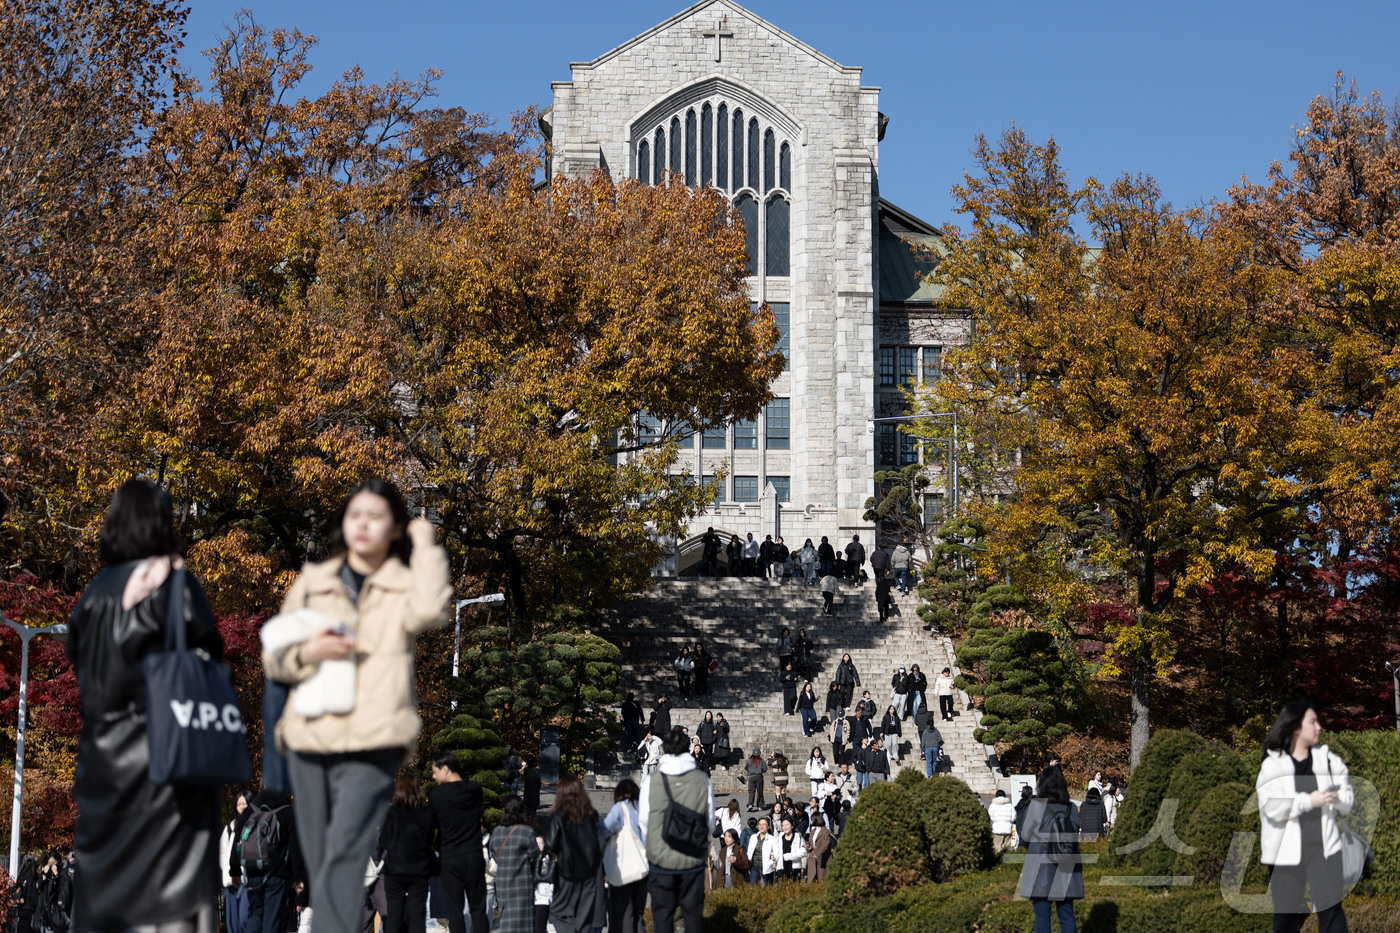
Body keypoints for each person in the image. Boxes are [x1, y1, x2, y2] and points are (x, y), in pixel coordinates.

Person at [263, 478, 452, 933]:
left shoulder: (403, 584)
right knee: (321, 851)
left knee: (346, 848)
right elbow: (274, 654)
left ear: (394, 528)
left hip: (375, 736)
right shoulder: (313, 582)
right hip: (312, 734)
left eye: (376, 516)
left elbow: (433, 609)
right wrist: (308, 653)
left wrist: (426, 544)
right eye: (355, 515)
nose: (363, 524)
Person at [66, 479, 225, 933]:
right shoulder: (172, 582)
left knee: (104, 889)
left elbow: (82, 665)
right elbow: (209, 653)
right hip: (164, 756)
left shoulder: (92, 594)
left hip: (100, 760)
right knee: (170, 891)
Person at [1257, 700, 1354, 933]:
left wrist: (1337, 799)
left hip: (1325, 850)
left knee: (1332, 915)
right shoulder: (1273, 765)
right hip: (1285, 855)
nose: (1319, 727)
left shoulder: (1329, 761)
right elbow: (1271, 807)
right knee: (1286, 920)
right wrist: (1310, 800)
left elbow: (1347, 801)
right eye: (1313, 721)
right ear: (1296, 728)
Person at [639, 727, 714, 933]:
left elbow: (644, 821)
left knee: (662, 913)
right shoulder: (701, 781)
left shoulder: (651, 782)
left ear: (665, 750)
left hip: (661, 859)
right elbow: (710, 823)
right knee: (693, 915)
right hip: (692, 859)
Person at [428, 752, 489, 933]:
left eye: (434, 771)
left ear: (445, 769)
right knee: (478, 910)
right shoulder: (475, 789)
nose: (433, 776)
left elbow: (434, 826)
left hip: (450, 858)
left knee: (454, 912)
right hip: (473, 855)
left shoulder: (437, 796)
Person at [1017, 766, 1083, 933]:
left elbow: (1024, 836)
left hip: (1040, 866)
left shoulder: (1037, 806)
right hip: (1067, 865)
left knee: (1042, 916)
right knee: (1067, 915)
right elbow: (1074, 833)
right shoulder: (1071, 808)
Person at [376, 773, 437, 933]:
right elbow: (429, 840)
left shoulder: (391, 813)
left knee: (394, 916)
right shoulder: (425, 813)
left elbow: (383, 842)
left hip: (394, 871)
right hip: (419, 871)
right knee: (418, 917)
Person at [543, 777, 605, 933]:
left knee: (559, 912)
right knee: (584, 916)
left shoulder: (559, 815)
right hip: (590, 872)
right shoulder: (591, 814)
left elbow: (550, 843)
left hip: (567, 871)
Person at [238, 791, 300, 933]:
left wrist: (234, 868)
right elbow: (295, 847)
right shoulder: (287, 811)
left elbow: (239, 841)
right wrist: (298, 876)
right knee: (273, 920)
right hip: (278, 874)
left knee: (255, 915)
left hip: (253, 871)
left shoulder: (251, 810)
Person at [601, 780, 647, 933]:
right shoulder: (644, 810)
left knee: (623, 913)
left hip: (623, 870)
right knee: (638, 914)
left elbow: (603, 830)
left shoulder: (621, 808)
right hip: (643, 869)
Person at [488, 797, 537, 933]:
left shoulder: (497, 832)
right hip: (523, 883)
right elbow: (535, 857)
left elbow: (494, 854)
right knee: (525, 923)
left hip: (504, 883)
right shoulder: (526, 832)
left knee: (507, 920)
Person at [221, 793, 252, 933]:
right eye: (239, 804)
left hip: (248, 879)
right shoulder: (230, 828)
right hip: (231, 879)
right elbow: (222, 851)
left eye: (244, 803)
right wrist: (227, 869)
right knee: (232, 922)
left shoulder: (254, 824)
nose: (241, 807)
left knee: (244, 918)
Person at [34, 852, 72, 933]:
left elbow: (63, 893)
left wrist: (56, 876)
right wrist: (44, 874)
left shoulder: (63, 876)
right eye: (49, 863)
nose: (52, 865)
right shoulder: (46, 875)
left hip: (56, 916)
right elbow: (39, 887)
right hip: (44, 915)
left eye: (54, 863)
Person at [745, 818, 780, 885]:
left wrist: (771, 862)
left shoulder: (772, 839)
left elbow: (777, 854)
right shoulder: (753, 837)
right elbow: (749, 852)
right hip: (754, 866)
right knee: (753, 888)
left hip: (766, 867)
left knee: (768, 889)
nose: (761, 826)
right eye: (760, 824)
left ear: (768, 827)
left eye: (764, 824)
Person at [13, 855, 40, 933]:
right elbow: (33, 896)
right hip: (29, 908)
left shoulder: (20, 878)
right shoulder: (32, 879)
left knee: (21, 927)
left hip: (21, 907)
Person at [806, 814, 834, 882]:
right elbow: (812, 842)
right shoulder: (813, 831)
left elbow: (825, 844)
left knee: (822, 879)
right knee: (812, 879)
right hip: (813, 858)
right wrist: (810, 847)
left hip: (823, 858)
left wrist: (818, 854)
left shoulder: (825, 831)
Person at [621, 693, 644, 760]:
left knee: (628, 733)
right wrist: (642, 718)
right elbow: (640, 711)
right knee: (635, 732)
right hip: (634, 720)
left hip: (628, 720)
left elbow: (623, 712)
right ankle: (635, 742)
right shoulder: (636, 703)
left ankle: (629, 747)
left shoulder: (625, 704)